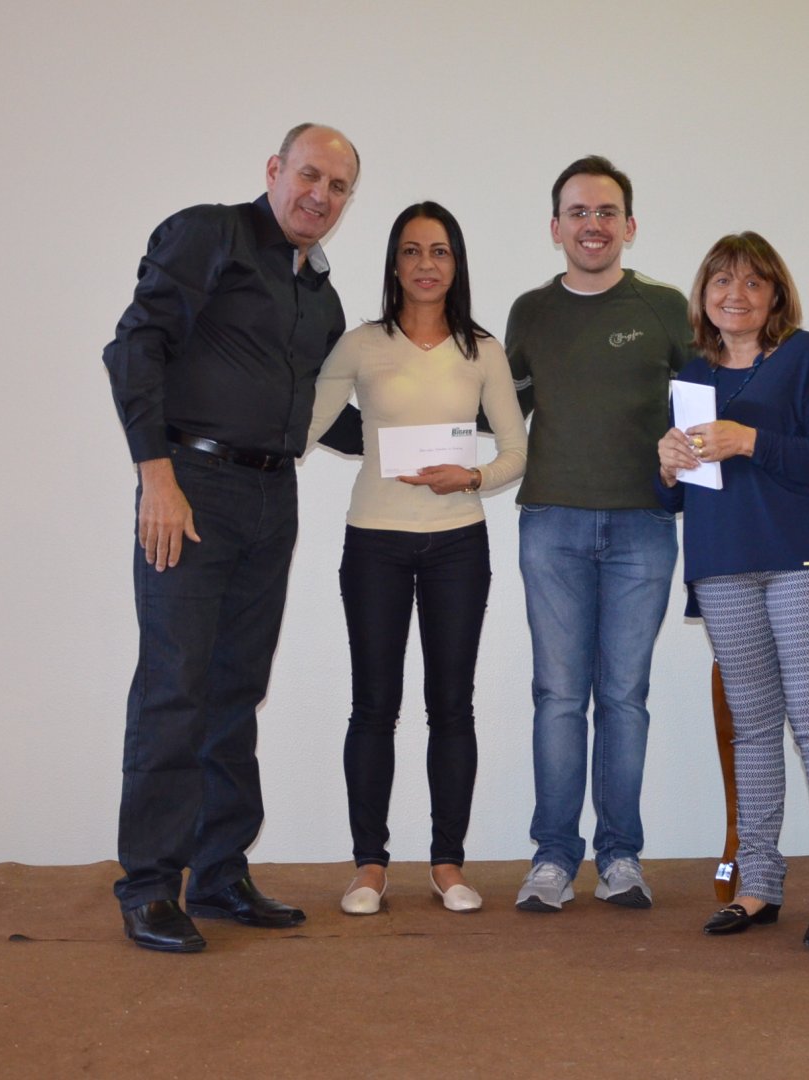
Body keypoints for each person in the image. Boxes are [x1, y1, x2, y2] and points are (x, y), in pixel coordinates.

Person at [102, 123, 364, 953]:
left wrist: (445, 432)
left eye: (338, 187)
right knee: (174, 687)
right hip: (190, 487)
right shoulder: (209, 234)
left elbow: (326, 416)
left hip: (270, 497)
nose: (320, 196)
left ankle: (218, 874)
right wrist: (156, 477)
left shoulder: (321, 297)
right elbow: (135, 345)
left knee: (235, 688)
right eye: (310, 175)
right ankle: (151, 887)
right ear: (274, 170)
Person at [306, 202, 526, 916]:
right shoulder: (361, 345)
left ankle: (447, 863)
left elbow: (515, 452)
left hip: (458, 542)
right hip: (374, 540)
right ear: (394, 264)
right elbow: (302, 423)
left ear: (456, 263)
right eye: (411, 251)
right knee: (373, 705)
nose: (425, 264)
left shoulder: (483, 349)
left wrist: (473, 477)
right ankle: (369, 866)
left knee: (451, 706)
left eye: (439, 251)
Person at [656, 233, 809, 948]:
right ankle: (758, 884)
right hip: (722, 563)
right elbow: (675, 497)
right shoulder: (691, 378)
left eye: (753, 282)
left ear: (776, 294)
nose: (736, 295)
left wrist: (748, 440)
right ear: (703, 295)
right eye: (721, 281)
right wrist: (666, 464)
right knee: (751, 727)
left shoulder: (804, 355)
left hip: (801, 560)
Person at [505, 156, 690, 912]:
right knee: (557, 696)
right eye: (578, 212)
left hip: (644, 526)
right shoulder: (529, 312)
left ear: (630, 225)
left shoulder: (667, 308)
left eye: (606, 211)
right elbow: (499, 411)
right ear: (555, 228)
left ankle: (620, 857)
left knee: (624, 698)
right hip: (550, 523)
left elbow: (706, 405)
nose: (593, 224)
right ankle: (553, 857)